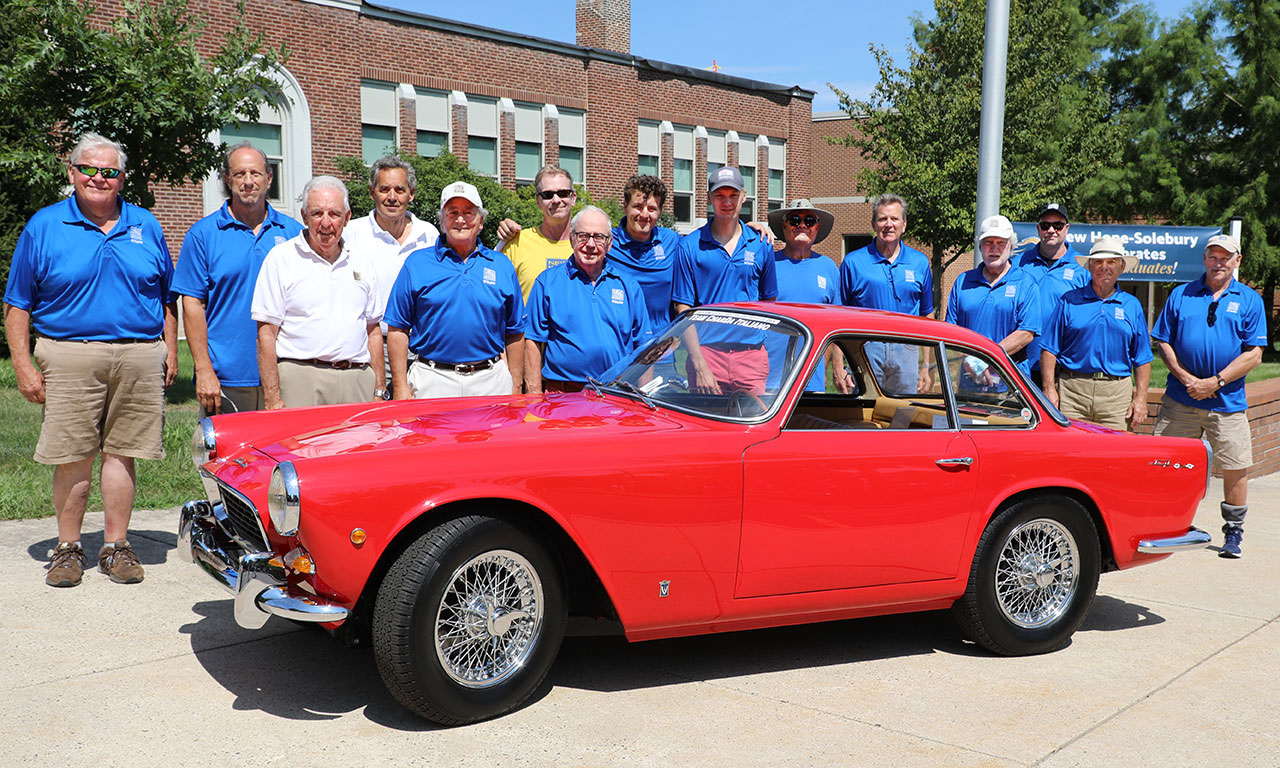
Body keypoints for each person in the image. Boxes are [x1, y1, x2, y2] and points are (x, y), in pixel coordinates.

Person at [3, 132, 178, 587]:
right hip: (69, 356)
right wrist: (23, 364)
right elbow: (17, 304)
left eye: (110, 172)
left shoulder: (146, 225)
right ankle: (67, 549)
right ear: (72, 173)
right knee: (74, 456)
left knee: (123, 454)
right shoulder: (44, 226)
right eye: (89, 169)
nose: (99, 178)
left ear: (123, 178)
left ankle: (116, 546)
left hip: (139, 356)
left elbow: (166, 298)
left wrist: (170, 350)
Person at [1151, 233, 1265, 558]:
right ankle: (1166, 524)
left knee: (1234, 466)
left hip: (1226, 403)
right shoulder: (1181, 295)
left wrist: (1215, 382)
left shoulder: (1249, 300)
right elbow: (1164, 341)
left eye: (1225, 257)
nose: (1219, 263)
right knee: (1167, 463)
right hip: (1180, 399)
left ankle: (1233, 533)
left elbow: (1254, 354)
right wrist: (1187, 379)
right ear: (1204, 259)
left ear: (1237, 261)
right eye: (1213, 257)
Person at [173, 143, 303, 416]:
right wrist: (204, 369)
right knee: (226, 458)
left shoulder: (293, 233)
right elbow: (193, 304)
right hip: (227, 377)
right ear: (227, 179)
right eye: (240, 174)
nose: (248, 182)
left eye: (255, 173)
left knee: (283, 457)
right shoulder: (204, 234)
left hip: (286, 371)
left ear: (269, 178)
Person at [250, 175, 384, 409]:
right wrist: (272, 398)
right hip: (301, 379)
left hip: (357, 379)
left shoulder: (363, 261)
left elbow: (373, 330)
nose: (325, 223)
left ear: (347, 218)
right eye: (317, 213)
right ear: (304, 217)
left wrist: (379, 390)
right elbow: (266, 335)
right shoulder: (281, 259)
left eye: (334, 214)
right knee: (300, 447)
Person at [385, 181, 525, 398]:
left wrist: (516, 387)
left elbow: (515, 331)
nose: (460, 220)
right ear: (442, 220)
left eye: (469, 213)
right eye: (453, 213)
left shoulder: (501, 264)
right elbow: (397, 330)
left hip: (490, 381)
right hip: (432, 380)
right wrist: (401, 387)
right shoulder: (417, 263)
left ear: (480, 222)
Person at [672, 166, 778, 394]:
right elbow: (683, 309)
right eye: (720, 195)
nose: (727, 202)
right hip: (706, 353)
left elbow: (770, 301)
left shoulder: (761, 244)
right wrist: (699, 363)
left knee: (753, 428)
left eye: (733, 195)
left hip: (751, 356)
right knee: (706, 428)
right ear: (710, 198)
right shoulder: (690, 246)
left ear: (744, 197)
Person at [344, 156, 440, 395]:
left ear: (412, 194)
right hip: (372, 347)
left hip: (421, 349)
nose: (392, 197)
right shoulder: (352, 233)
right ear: (372, 192)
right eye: (384, 189)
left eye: (400, 189)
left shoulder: (429, 235)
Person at [525, 206, 648, 392]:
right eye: (583, 235)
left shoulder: (629, 287)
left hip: (615, 395)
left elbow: (644, 347)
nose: (590, 244)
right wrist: (534, 393)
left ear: (610, 243)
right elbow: (532, 341)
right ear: (572, 238)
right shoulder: (547, 282)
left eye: (599, 237)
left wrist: (644, 395)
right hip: (563, 395)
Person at [1040, 236, 1151, 431]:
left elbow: (1142, 358)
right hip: (1073, 391)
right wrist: (1049, 389)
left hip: (1116, 396)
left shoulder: (1132, 305)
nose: (1104, 267)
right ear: (1089, 266)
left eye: (1111, 262)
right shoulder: (1069, 301)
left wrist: (1141, 398)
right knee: (1071, 453)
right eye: (1098, 262)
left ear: (1122, 266)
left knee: (1115, 454)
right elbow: (1049, 349)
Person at [839, 193, 935, 392]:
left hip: (907, 349)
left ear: (904, 224)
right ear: (874, 225)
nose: (889, 224)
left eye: (894, 219)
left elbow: (927, 316)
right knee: (864, 413)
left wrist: (928, 365)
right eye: (882, 219)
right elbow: (838, 315)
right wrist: (840, 366)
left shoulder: (919, 262)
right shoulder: (854, 262)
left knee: (904, 414)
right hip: (865, 349)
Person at [945, 214, 1041, 380]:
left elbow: (1026, 333)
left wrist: (986, 360)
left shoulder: (1026, 283)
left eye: (1001, 243)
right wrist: (971, 362)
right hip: (970, 379)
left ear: (1011, 247)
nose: (994, 248)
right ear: (980, 247)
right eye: (988, 242)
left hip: (1012, 382)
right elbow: (950, 332)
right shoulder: (963, 282)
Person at [767, 199, 839, 391]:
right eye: (794, 220)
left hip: (811, 379)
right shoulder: (768, 263)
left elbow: (835, 325)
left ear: (816, 228)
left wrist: (823, 368)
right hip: (769, 377)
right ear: (784, 226)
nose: (801, 225)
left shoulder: (829, 268)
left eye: (808, 220)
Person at [1018, 203, 1088, 387]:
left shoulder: (1082, 267)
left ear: (1066, 228)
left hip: (1063, 367)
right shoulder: (1019, 263)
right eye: (1045, 225)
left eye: (1057, 225)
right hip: (1022, 363)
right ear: (1038, 229)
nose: (1051, 230)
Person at [607, 175, 684, 341]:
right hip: (619, 346)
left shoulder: (672, 241)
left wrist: (752, 231)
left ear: (660, 212)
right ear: (625, 206)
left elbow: (703, 250)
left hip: (661, 347)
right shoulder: (607, 242)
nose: (644, 214)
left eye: (652, 208)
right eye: (638, 206)